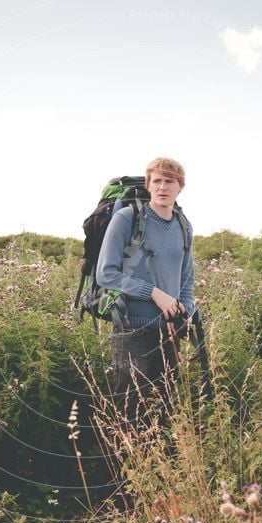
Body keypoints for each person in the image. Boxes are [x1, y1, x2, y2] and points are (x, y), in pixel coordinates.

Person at [95, 157, 195, 428]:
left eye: (170, 181)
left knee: (164, 411)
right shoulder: (127, 218)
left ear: (180, 187)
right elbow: (106, 273)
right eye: (157, 181)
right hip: (131, 330)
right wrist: (153, 293)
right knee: (128, 412)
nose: (163, 187)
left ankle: (156, 468)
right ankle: (123, 469)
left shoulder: (183, 226)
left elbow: (187, 280)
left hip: (169, 332)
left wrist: (184, 315)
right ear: (149, 185)